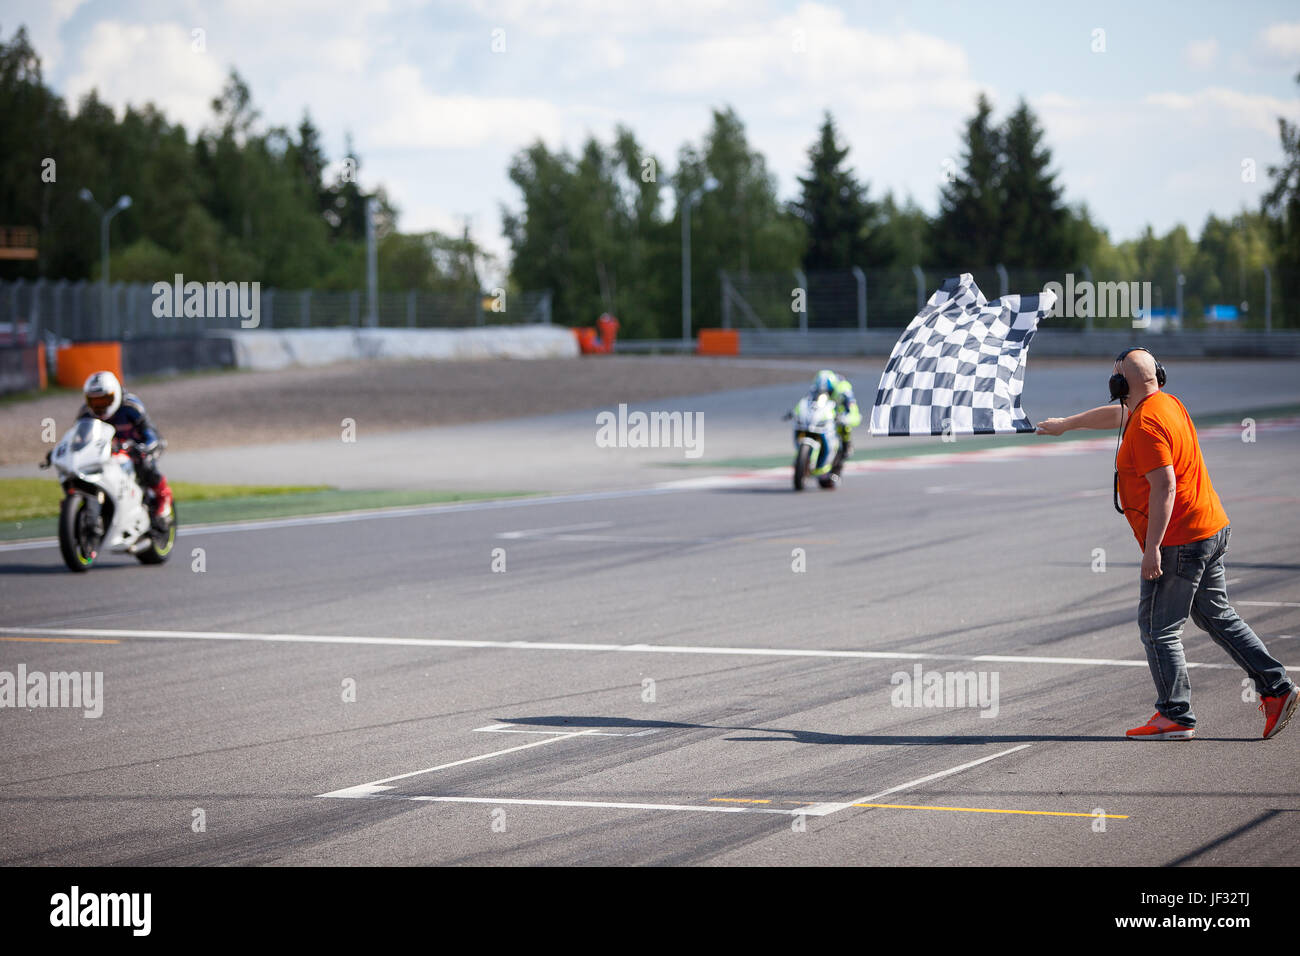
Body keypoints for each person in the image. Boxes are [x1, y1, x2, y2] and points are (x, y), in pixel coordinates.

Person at [1036, 347, 1296, 740]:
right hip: (1209, 528)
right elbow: (1118, 414)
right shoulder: (1165, 404)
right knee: (1214, 615)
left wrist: (1153, 547)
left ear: (1120, 384)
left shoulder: (1145, 426)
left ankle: (1175, 715)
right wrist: (1066, 424)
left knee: (1158, 629)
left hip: (1179, 540)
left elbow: (1165, 485)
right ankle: (1277, 688)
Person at [76, 371, 173, 520]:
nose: (99, 406)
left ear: (115, 395)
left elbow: (149, 432)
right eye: (95, 402)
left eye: (104, 400)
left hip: (137, 448)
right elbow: (79, 437)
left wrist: (145, 446)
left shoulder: (131, 407)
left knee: (144, 463)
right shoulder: (86, 413)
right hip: (109, 453)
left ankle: (163, 495)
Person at [809, 369, 861, 475]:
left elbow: (854, 411)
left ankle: (845, 446)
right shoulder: (815, 389)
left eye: (828, 392)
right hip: (821, 418)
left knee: (844, 429)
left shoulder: (844, 389)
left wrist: (847, 418)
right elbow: (808, 402)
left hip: (838, 418)